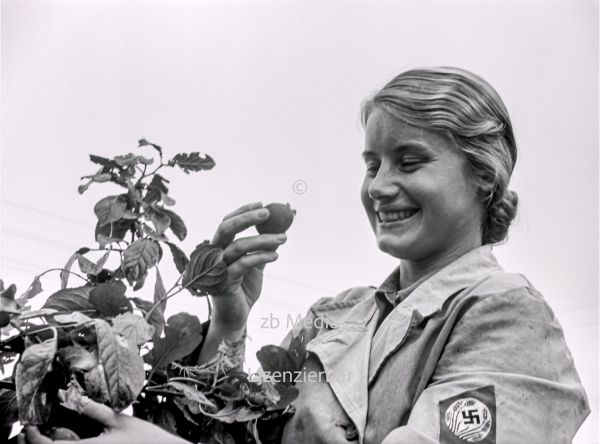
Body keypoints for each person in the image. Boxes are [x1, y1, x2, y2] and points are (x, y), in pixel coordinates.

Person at [25, 67, 590, 444]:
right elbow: (227, 425)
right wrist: (229, 319)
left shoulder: (506, 318)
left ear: (481, 178)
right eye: (372, 164)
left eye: (409, 161)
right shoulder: (335, 316)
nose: (378, 187)